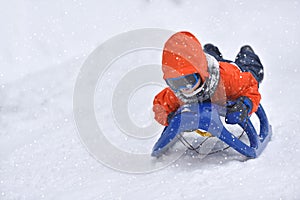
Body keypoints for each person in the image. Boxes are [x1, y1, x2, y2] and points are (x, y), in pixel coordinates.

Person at [152, 31, 264, 126]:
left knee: (253, 71)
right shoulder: (177, 93)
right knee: (202, 61)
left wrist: (245, 105)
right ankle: (210, 51)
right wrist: (170, 118)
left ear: (201, 74)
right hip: (206, 65)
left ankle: (247, 53)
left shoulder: (229, 79)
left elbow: (250, 85)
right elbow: (159, 106)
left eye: (189, 81)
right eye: (174, 83)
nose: (183, 88)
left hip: (233, 69)